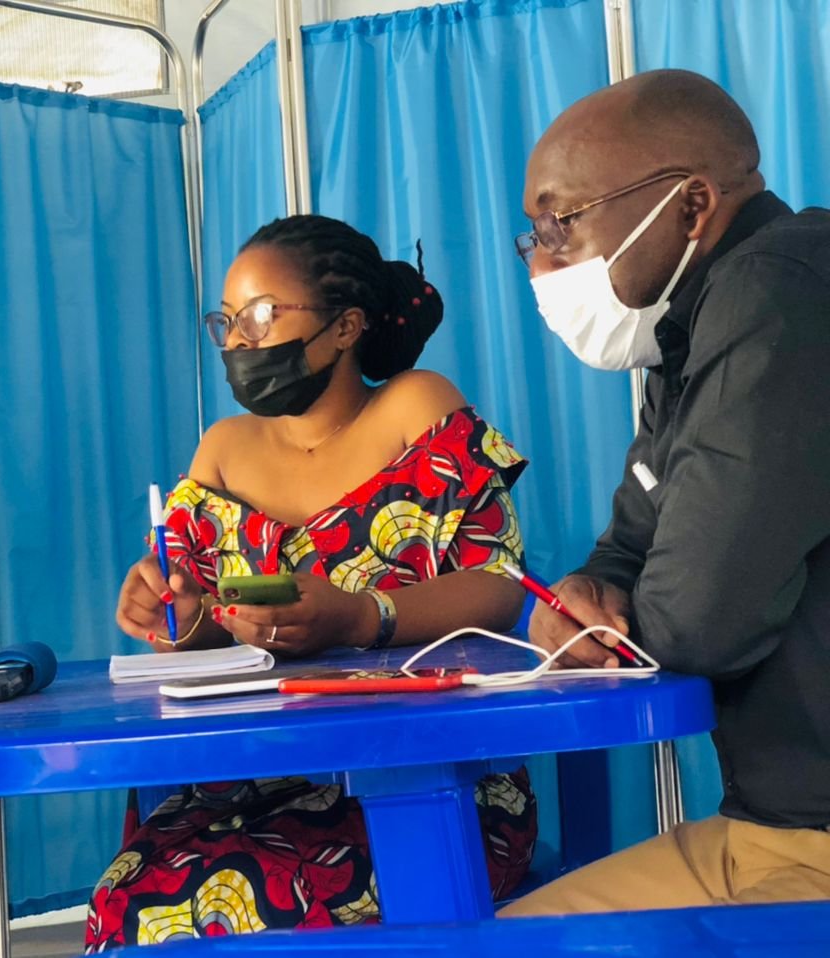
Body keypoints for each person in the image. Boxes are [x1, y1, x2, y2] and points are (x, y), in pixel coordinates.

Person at [85, 215, 537, 950]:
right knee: (123, 901)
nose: (239, 341)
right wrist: (172, 614)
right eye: (226, 322)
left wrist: (362, 617)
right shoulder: (222, 450)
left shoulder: (415, 408)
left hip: (426, 779)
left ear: (345, 327)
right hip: (252, 785)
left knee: (254, 907)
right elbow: (196, 625)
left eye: (261, 316)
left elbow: (498, 584)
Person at [500, 69, 830, 916]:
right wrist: (583, 594)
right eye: (532, 233)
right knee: (507, 935)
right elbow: (628, 548)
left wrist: (620, 615)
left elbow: (698, 619)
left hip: (814, 846)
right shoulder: (687, 332)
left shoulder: (781, 292)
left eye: (559, 221)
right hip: (765, 828)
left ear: (690, 205)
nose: (541, 257)